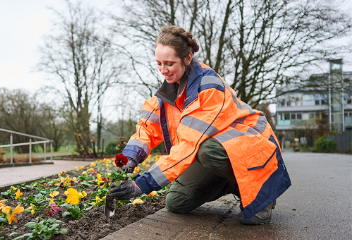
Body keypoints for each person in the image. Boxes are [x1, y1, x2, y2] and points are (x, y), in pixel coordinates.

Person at [108, 25, 291, 225]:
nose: (163, 70)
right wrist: (125, 163)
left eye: (169, 63)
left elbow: (188, 144)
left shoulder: (209, 88)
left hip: (254, 153)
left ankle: (260, 194)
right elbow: (146, 131)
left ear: (187, 58)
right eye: (159, 63)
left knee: (207, 151)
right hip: (222, 156)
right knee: (176, 202)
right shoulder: (167, 94)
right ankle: (233, 182)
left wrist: (140, 185)